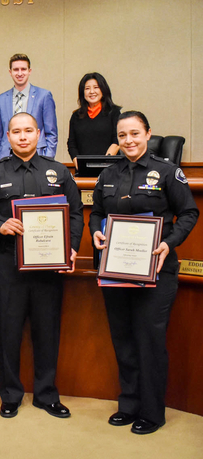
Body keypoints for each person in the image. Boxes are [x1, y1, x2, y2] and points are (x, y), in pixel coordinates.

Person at [89, 111, 199, 434]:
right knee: (122, 338)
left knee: (149, 340)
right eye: (122, 136)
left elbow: (189, 214)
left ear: (148, 134)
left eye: (135, 134)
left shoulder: (167, 172)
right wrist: (96, 232)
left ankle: (152, 412)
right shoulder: (108, 174)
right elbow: (96, 212)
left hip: (157, 270)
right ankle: (129, 404)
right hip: (116, 270)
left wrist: (169, 242)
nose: (129, 141)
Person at [0, 112, 83, 419]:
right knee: (9, 332)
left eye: (28, 131)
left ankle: (47, 395)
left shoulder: (58, 172)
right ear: (8, 137)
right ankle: (10, 395)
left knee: (47, 331)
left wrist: (72, 247)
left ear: (38, 134)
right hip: (9, 263)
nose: (22, 136)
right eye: (16, 131)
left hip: (49, 266)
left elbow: (75, 213)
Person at [0, 54, 58, 162]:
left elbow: (51, 133)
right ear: (10, 72)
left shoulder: (44, 96)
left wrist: (47, 160)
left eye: (23, 69)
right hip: (7, 158)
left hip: (37, 157)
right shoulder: (1, 99)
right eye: (16, 69)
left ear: (29, 71)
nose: (19, 73)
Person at [67, 72, 121, 169]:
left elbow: (117, 141)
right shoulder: (76, 116)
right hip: (83, 169)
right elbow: (71, 144)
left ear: (103, 90)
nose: (92, 92)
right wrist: (79, 165)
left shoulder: (114, 113)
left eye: (96, 87)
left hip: (109, 169)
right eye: (87, 88)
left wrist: (104, 165)